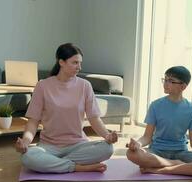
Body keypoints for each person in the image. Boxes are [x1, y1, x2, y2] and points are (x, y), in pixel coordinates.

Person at [15, 43, 118, 173]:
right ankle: (77, 167)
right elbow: (33, 121)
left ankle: (55, 164)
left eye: (80, 63)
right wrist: (25, 142)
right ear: (61, 62)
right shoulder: (43, 86)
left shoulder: (85, 86)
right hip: (49, 146)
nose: (79, 67)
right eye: (75, 63)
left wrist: (107, 136)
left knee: (107, 149)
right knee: (27, 157)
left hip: (78, 145)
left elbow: (94, 118)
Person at [126, 66, 192, 176]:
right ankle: (175, 164)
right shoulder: (155, 105)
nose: (165, 83)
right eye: (165, 80)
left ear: (183, 86)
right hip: (157, 152)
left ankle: (162, 169)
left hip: (181, 153)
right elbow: (147, 137)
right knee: (131, 154)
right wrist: (138, 144)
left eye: (171, 81)